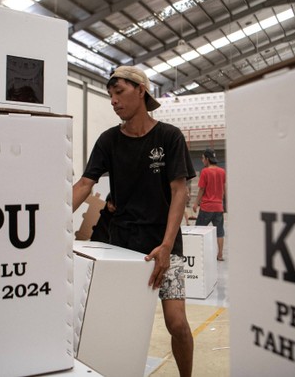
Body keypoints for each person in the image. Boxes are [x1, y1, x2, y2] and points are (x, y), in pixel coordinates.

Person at [72, 66, 196, 377]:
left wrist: (167, 245)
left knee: (177, 323)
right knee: (115, 324)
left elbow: (179, 191)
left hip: (162, 244)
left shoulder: (169, 137)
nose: (113, 101)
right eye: (110, 95)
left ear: (141, 90)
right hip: (120, 245)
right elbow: (85, 183)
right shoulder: (108, 140)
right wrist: (49, 221)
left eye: (120, 92)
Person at [192, 148, 227, 261]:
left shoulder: (205, 172)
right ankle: (220, 254)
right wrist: (225, 203)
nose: (202, 160)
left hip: (207, 207)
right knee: (220, 232)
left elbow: (202, 189)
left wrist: (196, 203)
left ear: (207, 159)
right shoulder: (222, 171)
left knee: (198, 230)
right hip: (218, 207)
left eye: (203, 158)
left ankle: (196, 253)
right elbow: (224, 188)